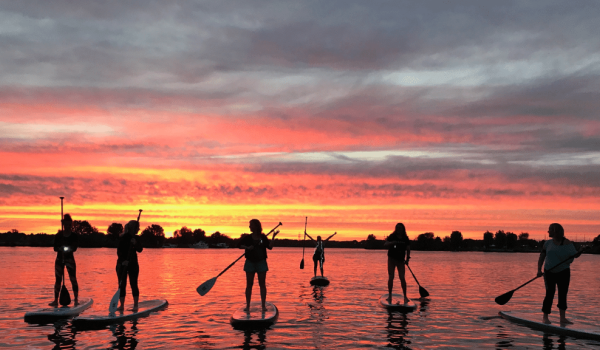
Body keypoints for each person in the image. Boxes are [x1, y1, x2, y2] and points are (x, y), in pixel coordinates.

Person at [537, 223, 583, 324]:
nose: (548, 232)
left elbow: (575, 256)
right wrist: (539, 270)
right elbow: (542, 257)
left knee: (563, 294)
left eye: (550, 230)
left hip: (563, 272)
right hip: (549, 272)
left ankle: (562, 318)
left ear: (556, 231)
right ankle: (545, 317)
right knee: (550, 293)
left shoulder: (568, 244)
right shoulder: (547, 244)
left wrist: (579, 251)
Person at [239, 219, 279, 312]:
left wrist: (273, 237)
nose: (249, 227)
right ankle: (247, 306)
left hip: (261, 262)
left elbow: (270, 247)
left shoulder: (263, 237)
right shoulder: (248, 238)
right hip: (250, 262)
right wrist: (247, 247)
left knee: (262, 284)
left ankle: (263, 306)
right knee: (249, 285)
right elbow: (239, 245)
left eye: (251, 225)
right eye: (249, 225)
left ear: (256, 226)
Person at [50, 214, 79, 306]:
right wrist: (61, 248)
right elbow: (55, 248)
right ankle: (55, 300)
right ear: (63, 224)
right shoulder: (59, 235)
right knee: (58, 280)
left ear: (71, 225)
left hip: (69, 259)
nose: (68, 226)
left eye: (69, 225)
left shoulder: (74, 236)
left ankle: (76, 300)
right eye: (66, 224)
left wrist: (69, 249)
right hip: (60, 259)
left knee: (73, 279)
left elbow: (75, 248)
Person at [116, 220, 143, 311]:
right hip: (122, 264)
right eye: (137, 227)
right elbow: (119, 252)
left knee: (133, 284)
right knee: (121, 285)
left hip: (133, 264)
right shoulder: (123, 238)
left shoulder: (137, 238)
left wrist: (135, 243)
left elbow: (140, 249)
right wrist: (123, 261)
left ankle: (135, 305)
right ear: (132, 228)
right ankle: (121, 306)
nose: (138, 229)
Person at [383, 223, 411, 304]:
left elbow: (408, 249)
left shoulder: (405, 238)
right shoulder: (392, 236)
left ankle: (405, 296)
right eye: (397, 228)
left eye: (400, 228)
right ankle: (390, 295)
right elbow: (385, 244)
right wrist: (392, 243)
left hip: (401, 260)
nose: (398, 229)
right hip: (391, 259)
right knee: (391, 276)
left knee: (402, 277)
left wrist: (407, 259)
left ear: (403, 229)